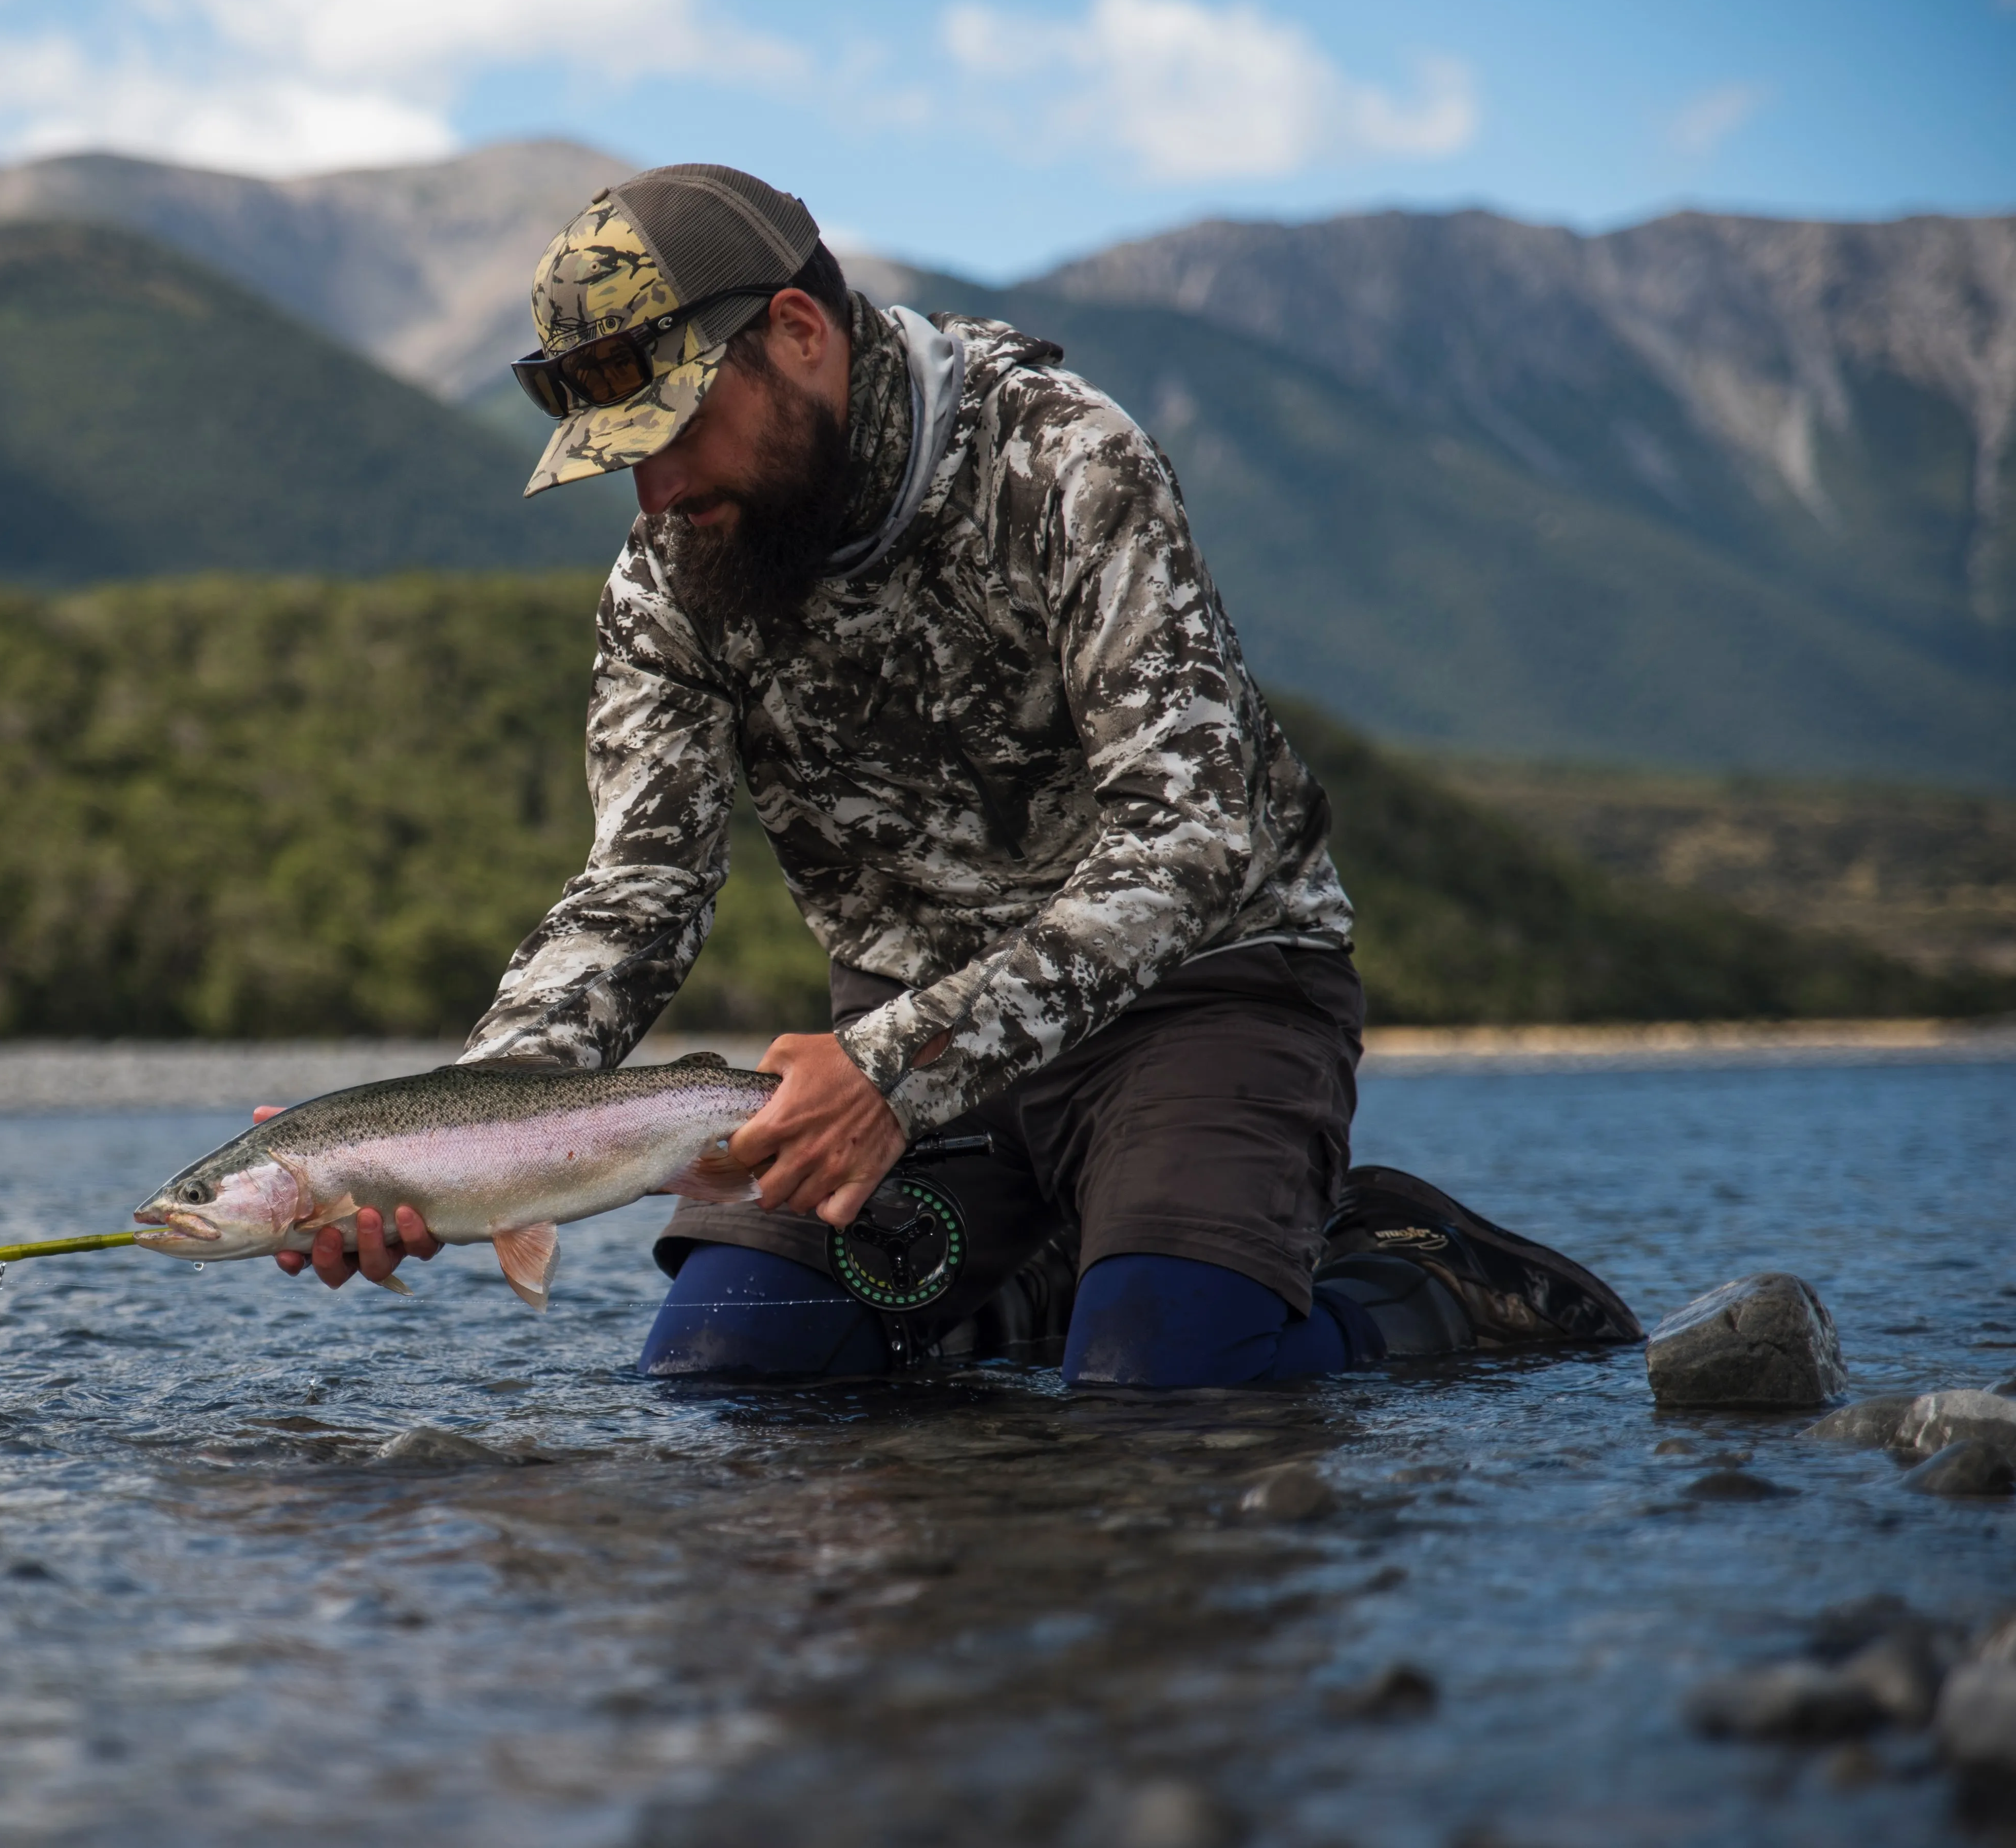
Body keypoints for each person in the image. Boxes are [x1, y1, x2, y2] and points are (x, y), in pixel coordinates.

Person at [275, 164, 1642, 1383]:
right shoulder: (670, 582)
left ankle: (1416, 1274)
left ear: (798, 338)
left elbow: (1197, 842)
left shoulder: (1060, 461)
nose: (654, 498)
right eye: (621, 460)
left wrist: (894, 1067)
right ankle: (1064, 1268)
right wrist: (447, 1138)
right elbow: (637, 894)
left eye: (676, 432)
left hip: (1204, 993)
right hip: (898, 1039)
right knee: (732, 1373)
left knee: (1169, 1387)